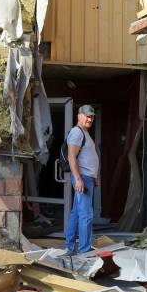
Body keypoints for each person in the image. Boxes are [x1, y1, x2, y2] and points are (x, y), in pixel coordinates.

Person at [65, 104, 99, 255]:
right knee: (86, 214)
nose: (90, 119)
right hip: (82, 178)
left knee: (77, 213)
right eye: (87, 116)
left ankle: (70, 247)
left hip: (87, 177)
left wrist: (95, 176)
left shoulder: (84, 133)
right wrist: (78, 179)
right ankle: (84, 251)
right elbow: (71, 156)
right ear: (79, 116)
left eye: (92, 116)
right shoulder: (77, 132)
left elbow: (87, 157)